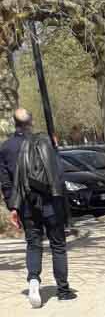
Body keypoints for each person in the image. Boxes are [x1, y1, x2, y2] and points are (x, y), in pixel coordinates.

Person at [0, 106, 75, 306]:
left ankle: (33, 280)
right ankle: (63, 290)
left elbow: (6, 182)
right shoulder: (45, 141)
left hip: (26, 204)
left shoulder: (6, 148)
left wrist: (13, 207)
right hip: (50, 202)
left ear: (14, 123)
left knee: (33, 244)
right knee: (58, 245)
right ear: (31, 122)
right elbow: (58, 174)